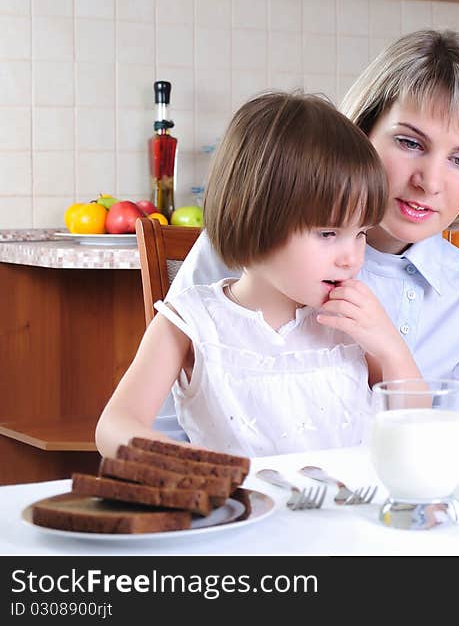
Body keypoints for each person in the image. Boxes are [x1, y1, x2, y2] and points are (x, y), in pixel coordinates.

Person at [166, 29, 459, 432]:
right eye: (409, 143)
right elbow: (165, 424)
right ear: (361, 131)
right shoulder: (257, 248)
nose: (430, 182)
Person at [96, 92, 421, 458]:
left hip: (348, 510)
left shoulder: (351, 322)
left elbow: (419, 430)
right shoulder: (191, 323)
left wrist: (391, 348)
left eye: (361, 233)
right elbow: (114, 426)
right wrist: (183, 462)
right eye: (328, 233)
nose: (352, 257)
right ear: (251, 216)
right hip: (243, 512)